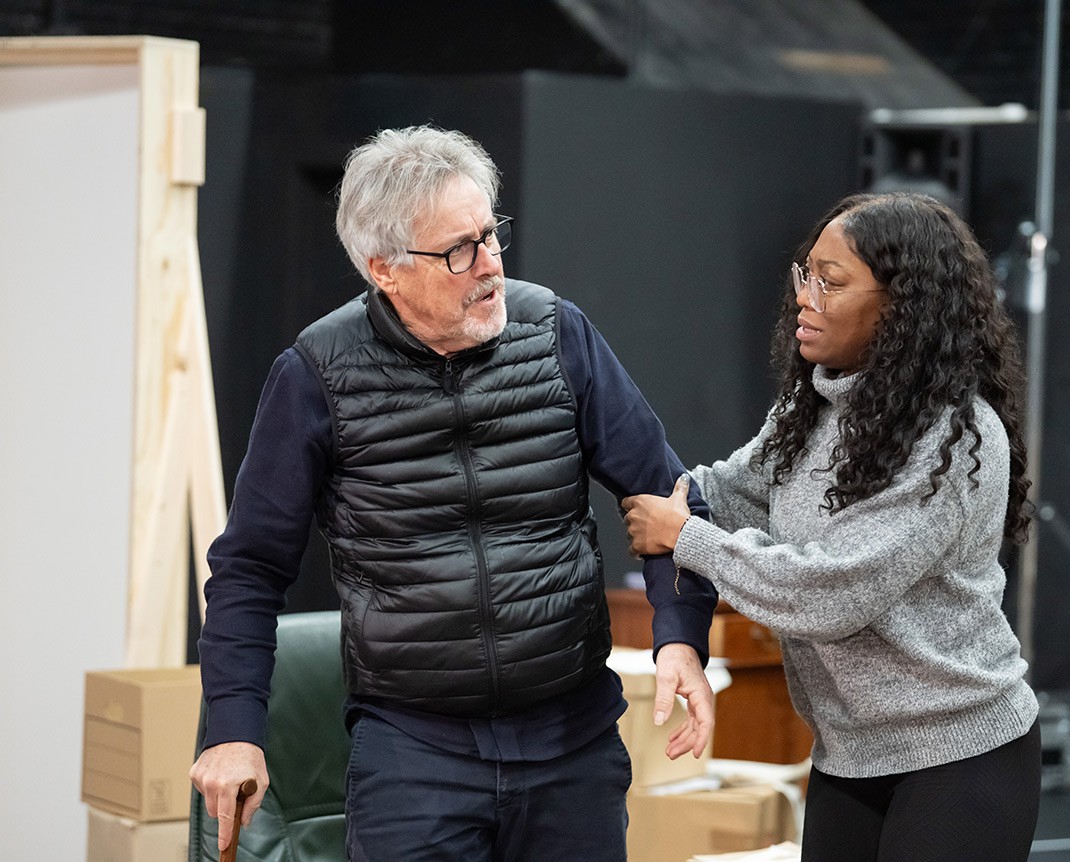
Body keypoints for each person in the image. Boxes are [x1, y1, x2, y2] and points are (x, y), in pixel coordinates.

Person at [190, 125, 718, 862]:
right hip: (416, 756)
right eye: (458, 252)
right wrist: (235, 731)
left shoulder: (557, 333)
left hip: (571, 741)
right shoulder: (316, 375)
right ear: (385, 270)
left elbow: (668, 496)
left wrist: (681, 638)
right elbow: (248, 568)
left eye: (490, 236)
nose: (490, 266)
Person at [622, 192, 1041, 861]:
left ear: (902, 306)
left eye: (832, 282)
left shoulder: (954, 440)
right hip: (848, 756)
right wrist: (647, 486)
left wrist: (685, 537)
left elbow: (830, 593)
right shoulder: (811, 406)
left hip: (960, 758)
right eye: (804, 274)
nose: (805, 298)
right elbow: (725, 492)